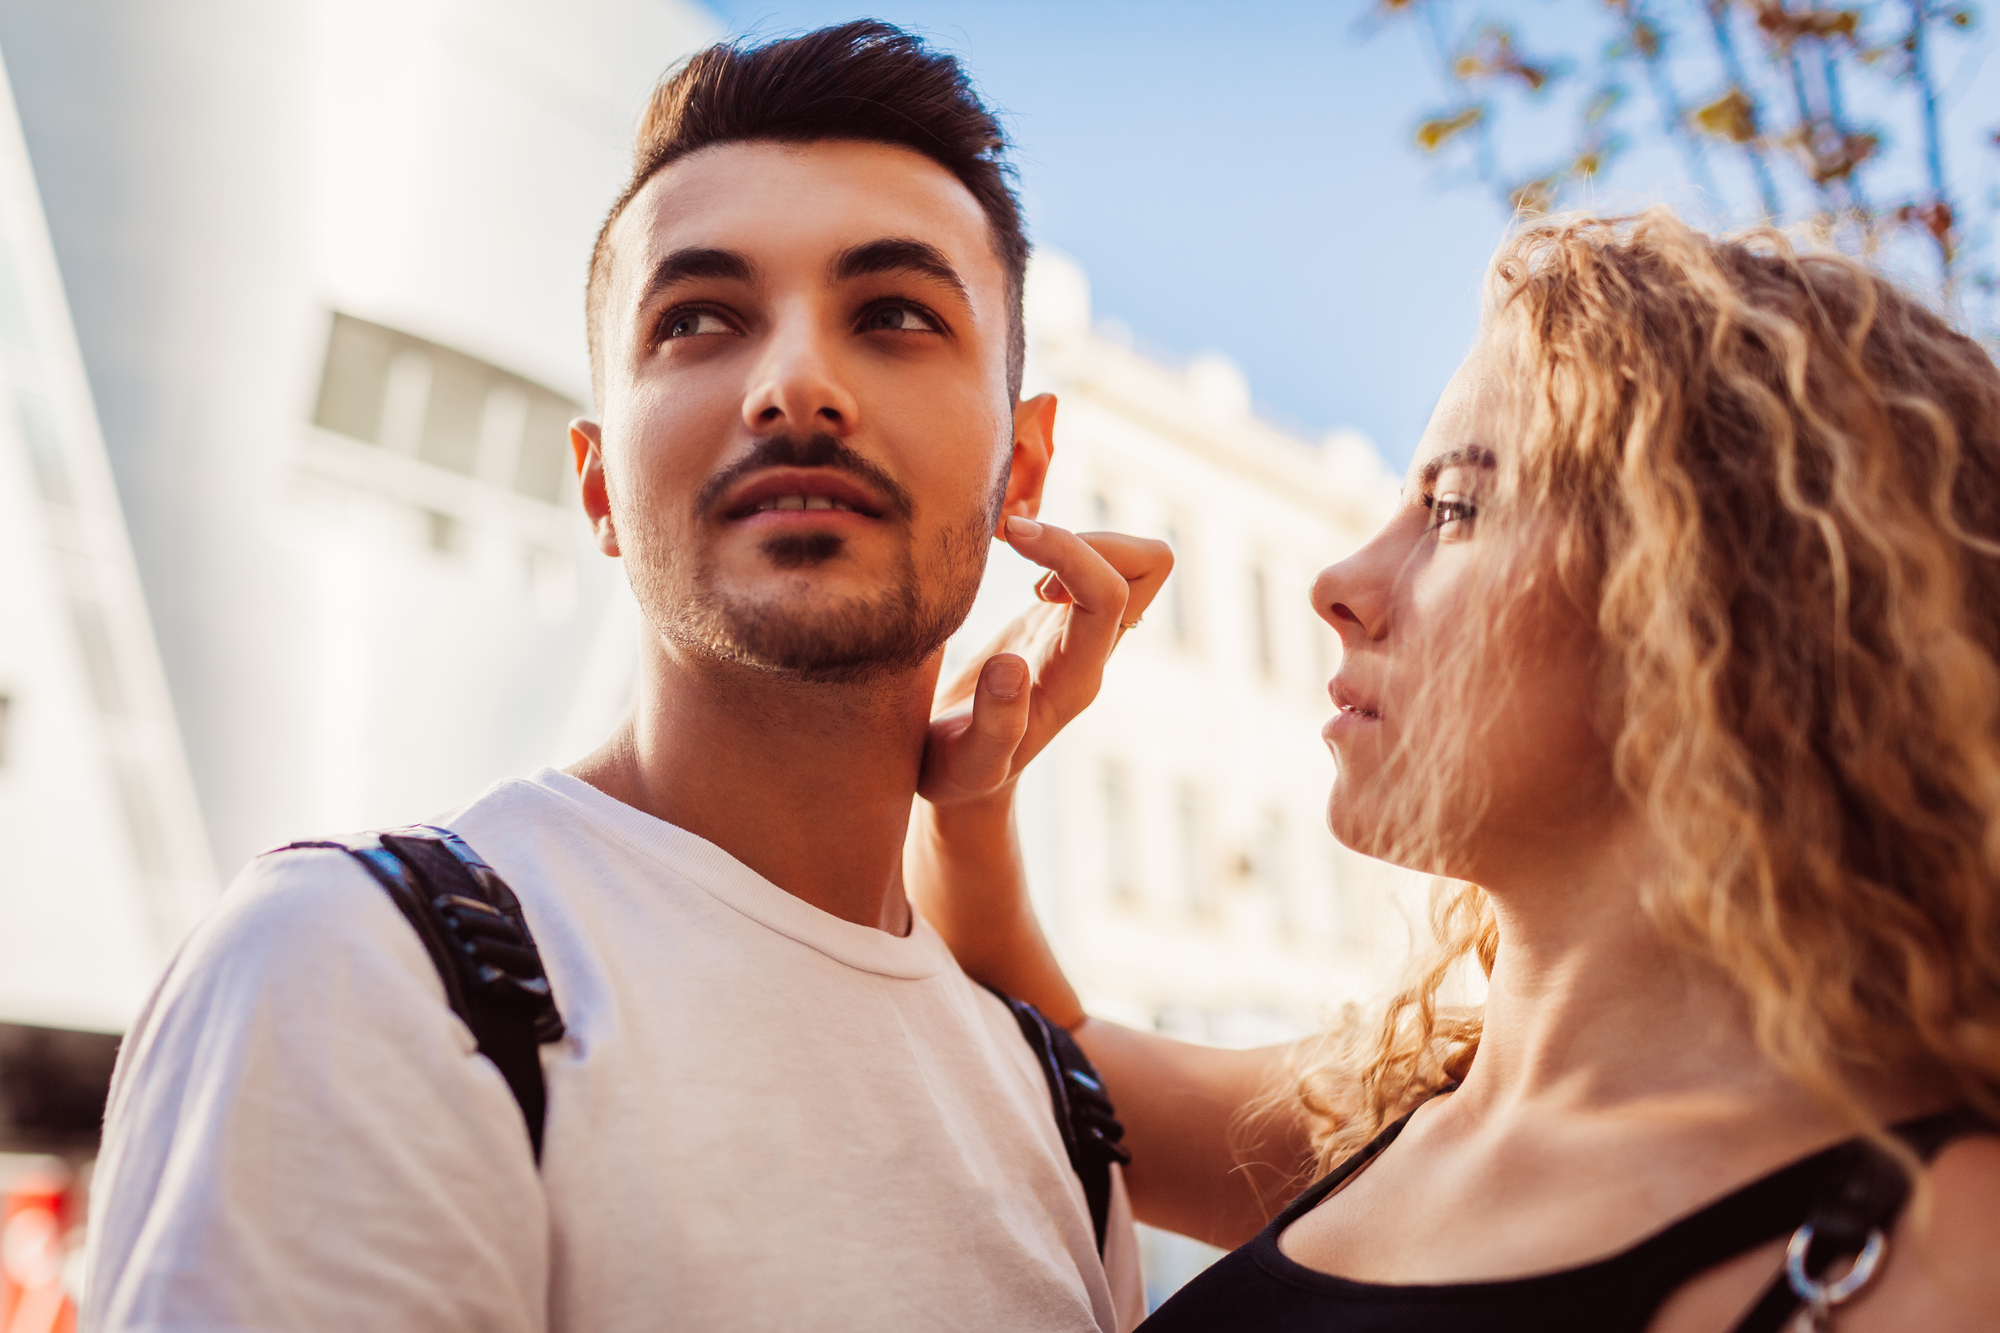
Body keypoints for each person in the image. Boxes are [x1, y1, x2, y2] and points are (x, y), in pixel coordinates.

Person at [82, 23, 1169, 1332]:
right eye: (699, 318)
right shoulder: (357, 970)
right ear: (596, 483)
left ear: (1027, 466)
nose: (797, 383)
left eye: (894, 313)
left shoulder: (1063, 1112)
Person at [911, 210, 2000, 1331]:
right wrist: (973, 805)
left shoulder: (1932, 1250)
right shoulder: (1384, 1116)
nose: (1337, 581)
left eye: (1453, 509)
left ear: (1711, 607)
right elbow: (1048, 1062)